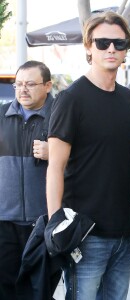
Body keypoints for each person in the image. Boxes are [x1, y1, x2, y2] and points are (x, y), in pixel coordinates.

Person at [46, 11, 130, 300]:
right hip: (84, 234)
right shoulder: (71, 99)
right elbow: (55, 166)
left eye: (118, 42)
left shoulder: (129, 99)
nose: (111, 48)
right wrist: (56, 224)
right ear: (88, 47)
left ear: (127, 48)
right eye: (102, 43)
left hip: (124, 232)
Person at [0, 60, 53, 299]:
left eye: (30, 84)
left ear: (48, 86)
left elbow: (86, 159)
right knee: (6, 289)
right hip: (4, 222)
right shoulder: (1, 115)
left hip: (43, 221)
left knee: (38, 291)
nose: (23, 89)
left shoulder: (60, 116)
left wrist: (56, 153)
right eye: (18, 84)